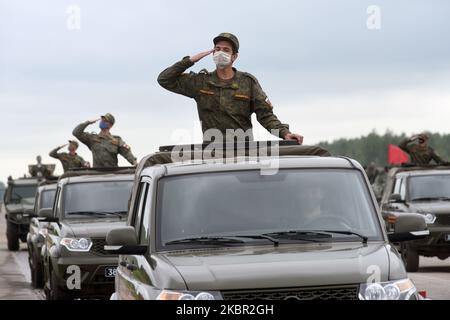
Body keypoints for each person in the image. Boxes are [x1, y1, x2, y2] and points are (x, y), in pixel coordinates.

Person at [157, 32, 303, 143]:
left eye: (226, 50)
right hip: (212, 152)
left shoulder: (248, 82)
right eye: (217, 49)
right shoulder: (201, 82)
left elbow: (265, 116)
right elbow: (164, 79)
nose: (221, 52)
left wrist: (285, 133)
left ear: (234, 56)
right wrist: (190, 60)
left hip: (243, 151)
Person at [72, 113, 137, 168]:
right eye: (102, 120)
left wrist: (134, 162)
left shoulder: (117, 140)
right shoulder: (92, 138)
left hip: (113, 173)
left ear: (110, 125)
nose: (102, 122)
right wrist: (87, 122)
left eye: (105, 121)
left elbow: (126, 152)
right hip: (97, 173)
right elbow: (76, 133)